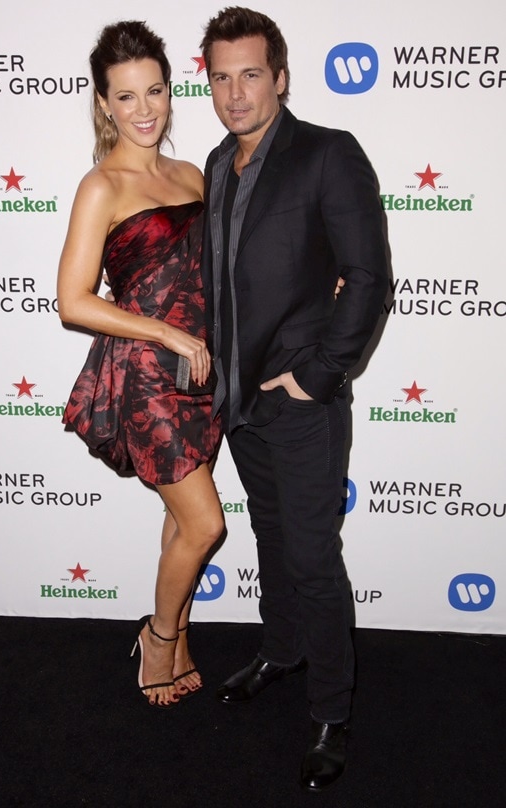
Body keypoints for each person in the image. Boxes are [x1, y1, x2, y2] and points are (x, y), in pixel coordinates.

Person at [199, 7, 389, 790]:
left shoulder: (327, 153)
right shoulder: (218, 163)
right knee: (271, 539)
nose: (235, 93)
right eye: (221, 78)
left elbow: (369, 276)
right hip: (240, 402)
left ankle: (332, 711)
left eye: (251, 74)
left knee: (312, 557)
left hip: (301, 402)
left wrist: (321, 374)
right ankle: (281, 651)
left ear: (280, 77)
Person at [57, 20, 224, 709]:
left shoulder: (192, 175)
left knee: (184, 523)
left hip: (202, 372)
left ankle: (177, 635)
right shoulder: (101, 186)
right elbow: (72, 301)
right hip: (147, 375)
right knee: (208, 524)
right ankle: (158, 638)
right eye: (126, 96)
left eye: (154, 90)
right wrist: (166, 333)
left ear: (169, 90)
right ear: (104, 103)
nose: (144, 109)